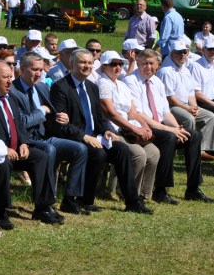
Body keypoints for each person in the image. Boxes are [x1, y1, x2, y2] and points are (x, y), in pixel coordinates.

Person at [49, 48, 152, 215]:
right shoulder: (60, 87)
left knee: (121, 150)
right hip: (72, 137)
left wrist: (107, 131)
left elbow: (99, 117)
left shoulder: (91, 87)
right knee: (98, 153)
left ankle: (132, 201)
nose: (87, 66)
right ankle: (81, 200)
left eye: (90, 63)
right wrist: (84, 137)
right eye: (83, 62)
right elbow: (61, 123)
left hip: (95, 136)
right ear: (72, 64)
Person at [0, 59, 61, 226]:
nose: (10, 81)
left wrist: (23, 143)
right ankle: (0, 212)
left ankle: (43, 207)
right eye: (5, 77)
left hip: (16, 148)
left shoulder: (10, 98)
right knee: (3, 164)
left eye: (11, 77)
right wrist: (3, 149)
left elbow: (19, 126)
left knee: (41, 156)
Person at [123, 48, 209, 203]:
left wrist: (178, 128)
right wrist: (170, 130)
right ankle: (161, 190)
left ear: (158, 65)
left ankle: (193, 188)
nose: (148, 67)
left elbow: (165, 112)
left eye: (151, 63)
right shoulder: (130, 81)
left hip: (158, 125)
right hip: (141, 127)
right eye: (144, 63)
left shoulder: (157, 82)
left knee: (194, 135)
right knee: (168, 137)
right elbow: (138, 114)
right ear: (138, 63)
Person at [13, 51, 88, 209]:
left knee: (80, 149)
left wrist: (62, 118)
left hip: (45, 136)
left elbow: (51, 114)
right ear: (22, 68)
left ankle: (70, 199)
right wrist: (41, 111)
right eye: (34, 69)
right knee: (49, 149)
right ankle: (47, 201)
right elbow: (21, 122)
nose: (39, 74)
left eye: (41, 70)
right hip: (26, 139)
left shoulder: (42, 87)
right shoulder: (13, 91)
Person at [96, 50, 159, 202]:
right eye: (113, 64)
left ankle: (143, 193)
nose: (118, 67)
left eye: (120, 64)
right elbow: (111, 114)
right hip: (111, 131)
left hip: (128, 129)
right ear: (104, 67)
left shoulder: (122, 85)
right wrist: (135, 129)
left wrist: (145, 127)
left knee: (153, 152)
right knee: (138, 153)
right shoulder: (102, 84)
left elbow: (133, 112)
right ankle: (126, 192)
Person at [158, 37, 214, 160]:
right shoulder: (166, 71)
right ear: (172, 53)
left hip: (185, 105)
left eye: (185, 52)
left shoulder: (185, 69)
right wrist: (187, 109)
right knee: (189, 118)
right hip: (170, 107)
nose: (183, 55)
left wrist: (194, 107)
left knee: (210, 116)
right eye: (179, 52)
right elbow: (169, 98)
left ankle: (201, 150)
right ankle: (188, 150)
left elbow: (191, 93)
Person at [190, 35, 214, 158]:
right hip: (199, 101)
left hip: (213, 100)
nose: (213, 52)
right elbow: (197, 93)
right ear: (203, 50)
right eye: (210, 49)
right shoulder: (196, 66)